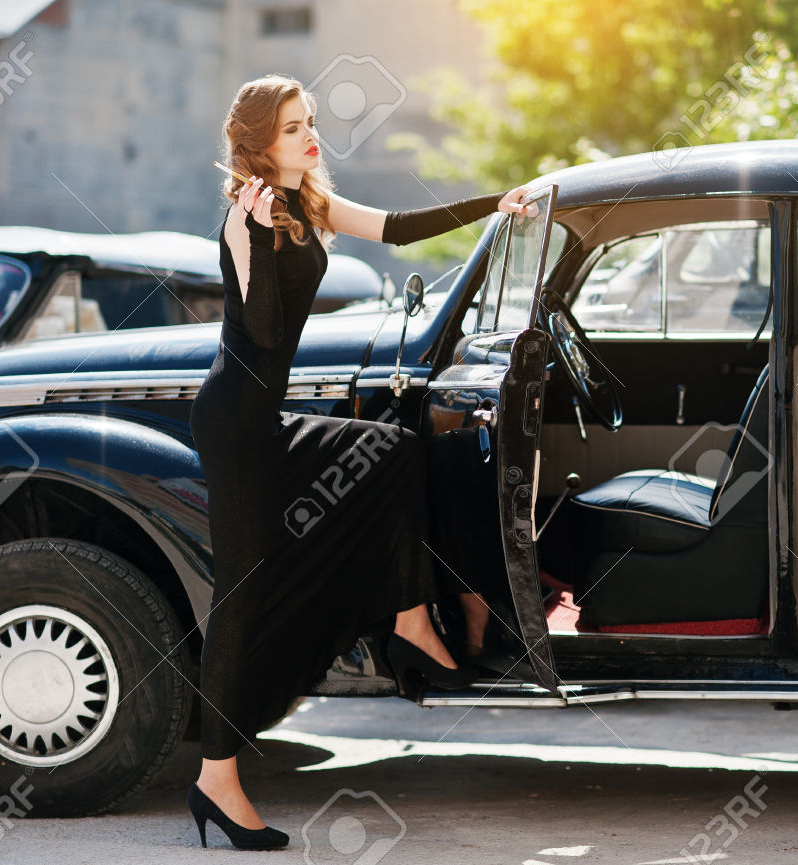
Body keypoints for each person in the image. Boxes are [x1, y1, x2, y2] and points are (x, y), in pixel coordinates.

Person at [186, 73, 534, 851]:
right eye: (291, 129)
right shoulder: (249, 224)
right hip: (236, 424)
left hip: (261, 416)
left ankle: (409, 610)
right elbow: (265, 333)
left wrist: (494, 204)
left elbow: (402, 227)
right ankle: (216, 779)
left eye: (309, 121)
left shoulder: (311, 202)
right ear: (256, 146)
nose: (310, 137)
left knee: (392, 449)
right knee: (239, 598)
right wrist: (249, 246)